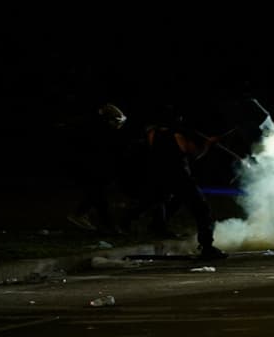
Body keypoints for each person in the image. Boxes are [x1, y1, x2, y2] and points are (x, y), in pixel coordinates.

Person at [123, 105, 228, 260]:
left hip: (160, 175)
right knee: (203, 211)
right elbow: (194, 155)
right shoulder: (178, 135)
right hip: (180, 177)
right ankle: (207, 247)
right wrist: (208, 145)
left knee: (157, 200)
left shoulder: (153, 133)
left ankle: (133, 221)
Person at [60, 102, 132, 234]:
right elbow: (97, 153)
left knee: (96, 195)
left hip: (91, 168)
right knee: (98, 196)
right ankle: (106, 225)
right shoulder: (98, 132)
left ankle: (82, 215)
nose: (119, 125)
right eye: (116, 121)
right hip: (89, 168)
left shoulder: (99, 130)